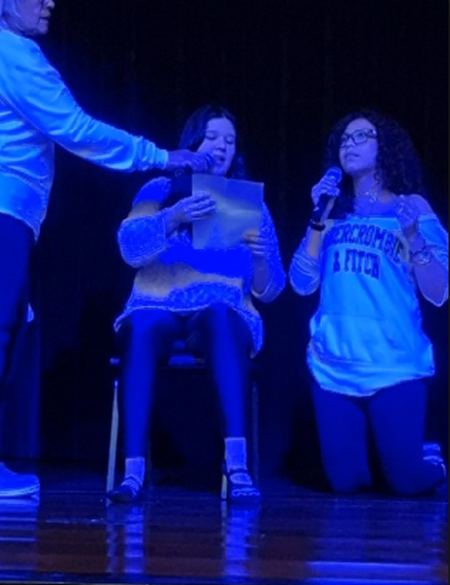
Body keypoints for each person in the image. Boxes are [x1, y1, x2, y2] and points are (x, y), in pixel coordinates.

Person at [0, 0, 211, 498]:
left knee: (10, 325)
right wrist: (160, 155)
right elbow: (75, 129)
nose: (50, 3)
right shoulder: (13, 52)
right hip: (5, 210)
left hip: (16, 212)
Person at [108, 104, 286, 503]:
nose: (222, 147)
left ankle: (236, 465)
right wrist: (173, 217)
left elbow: (271, 289)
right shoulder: (157, 190)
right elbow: (130, 249)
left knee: (220, 314)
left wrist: (260, 259)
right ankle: (133, 471)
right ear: (192, 143)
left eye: (230, 141)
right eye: (212, 137)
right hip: (160, 302)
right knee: (141, 324)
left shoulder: (248, 204)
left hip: (220, 306)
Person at [289, 109, 448, 496]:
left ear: (385, 147)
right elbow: (301, 283)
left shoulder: (411, 208)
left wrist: (414, 237)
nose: (350, 144)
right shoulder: (332, 211)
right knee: (346, 483)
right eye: (345, 139)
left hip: (393, 362)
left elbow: (439, 291)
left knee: (407, 481)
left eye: (362, 136)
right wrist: (317, 219)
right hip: (335, 364)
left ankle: (429, 458)